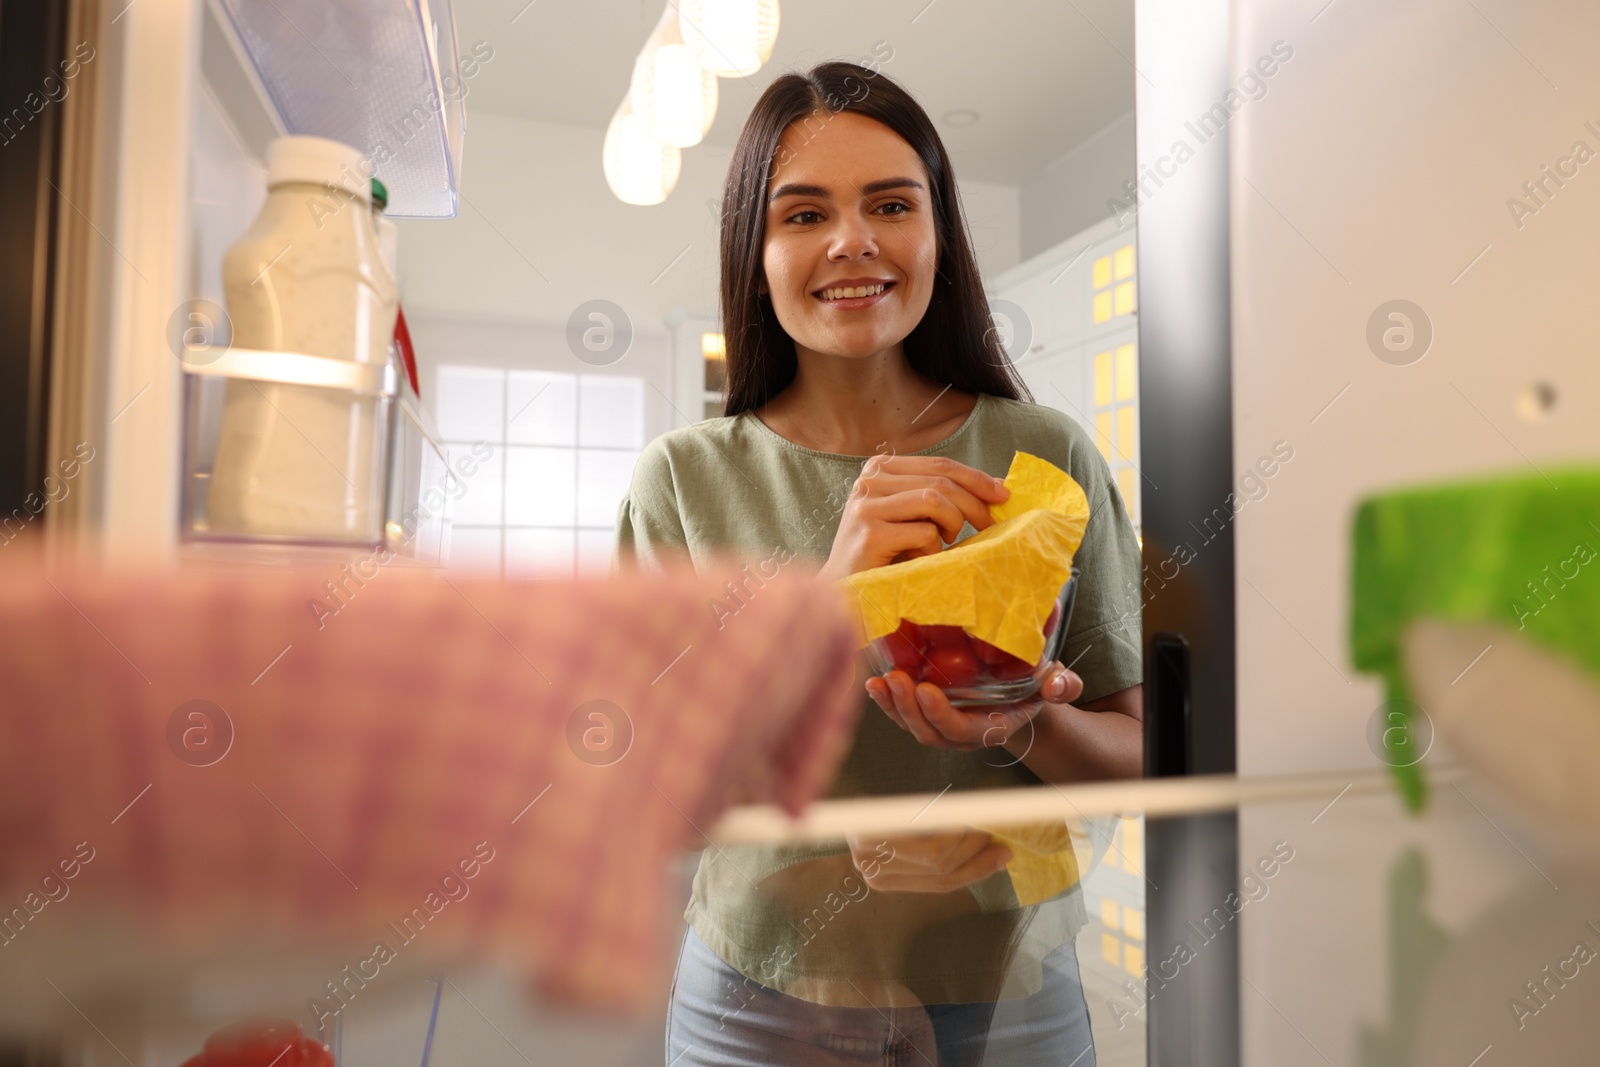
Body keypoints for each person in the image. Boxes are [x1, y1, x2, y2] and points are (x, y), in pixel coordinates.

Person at [615, 60, 1144, 1067]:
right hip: (759, 999)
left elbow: (1141, 749)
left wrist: (1027, 719)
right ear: (756, 253)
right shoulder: (680, 479)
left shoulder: (1046, 454)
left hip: (1014, 988)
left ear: (937, 232)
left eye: (890, 204)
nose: (852, 239)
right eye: (803, 214)